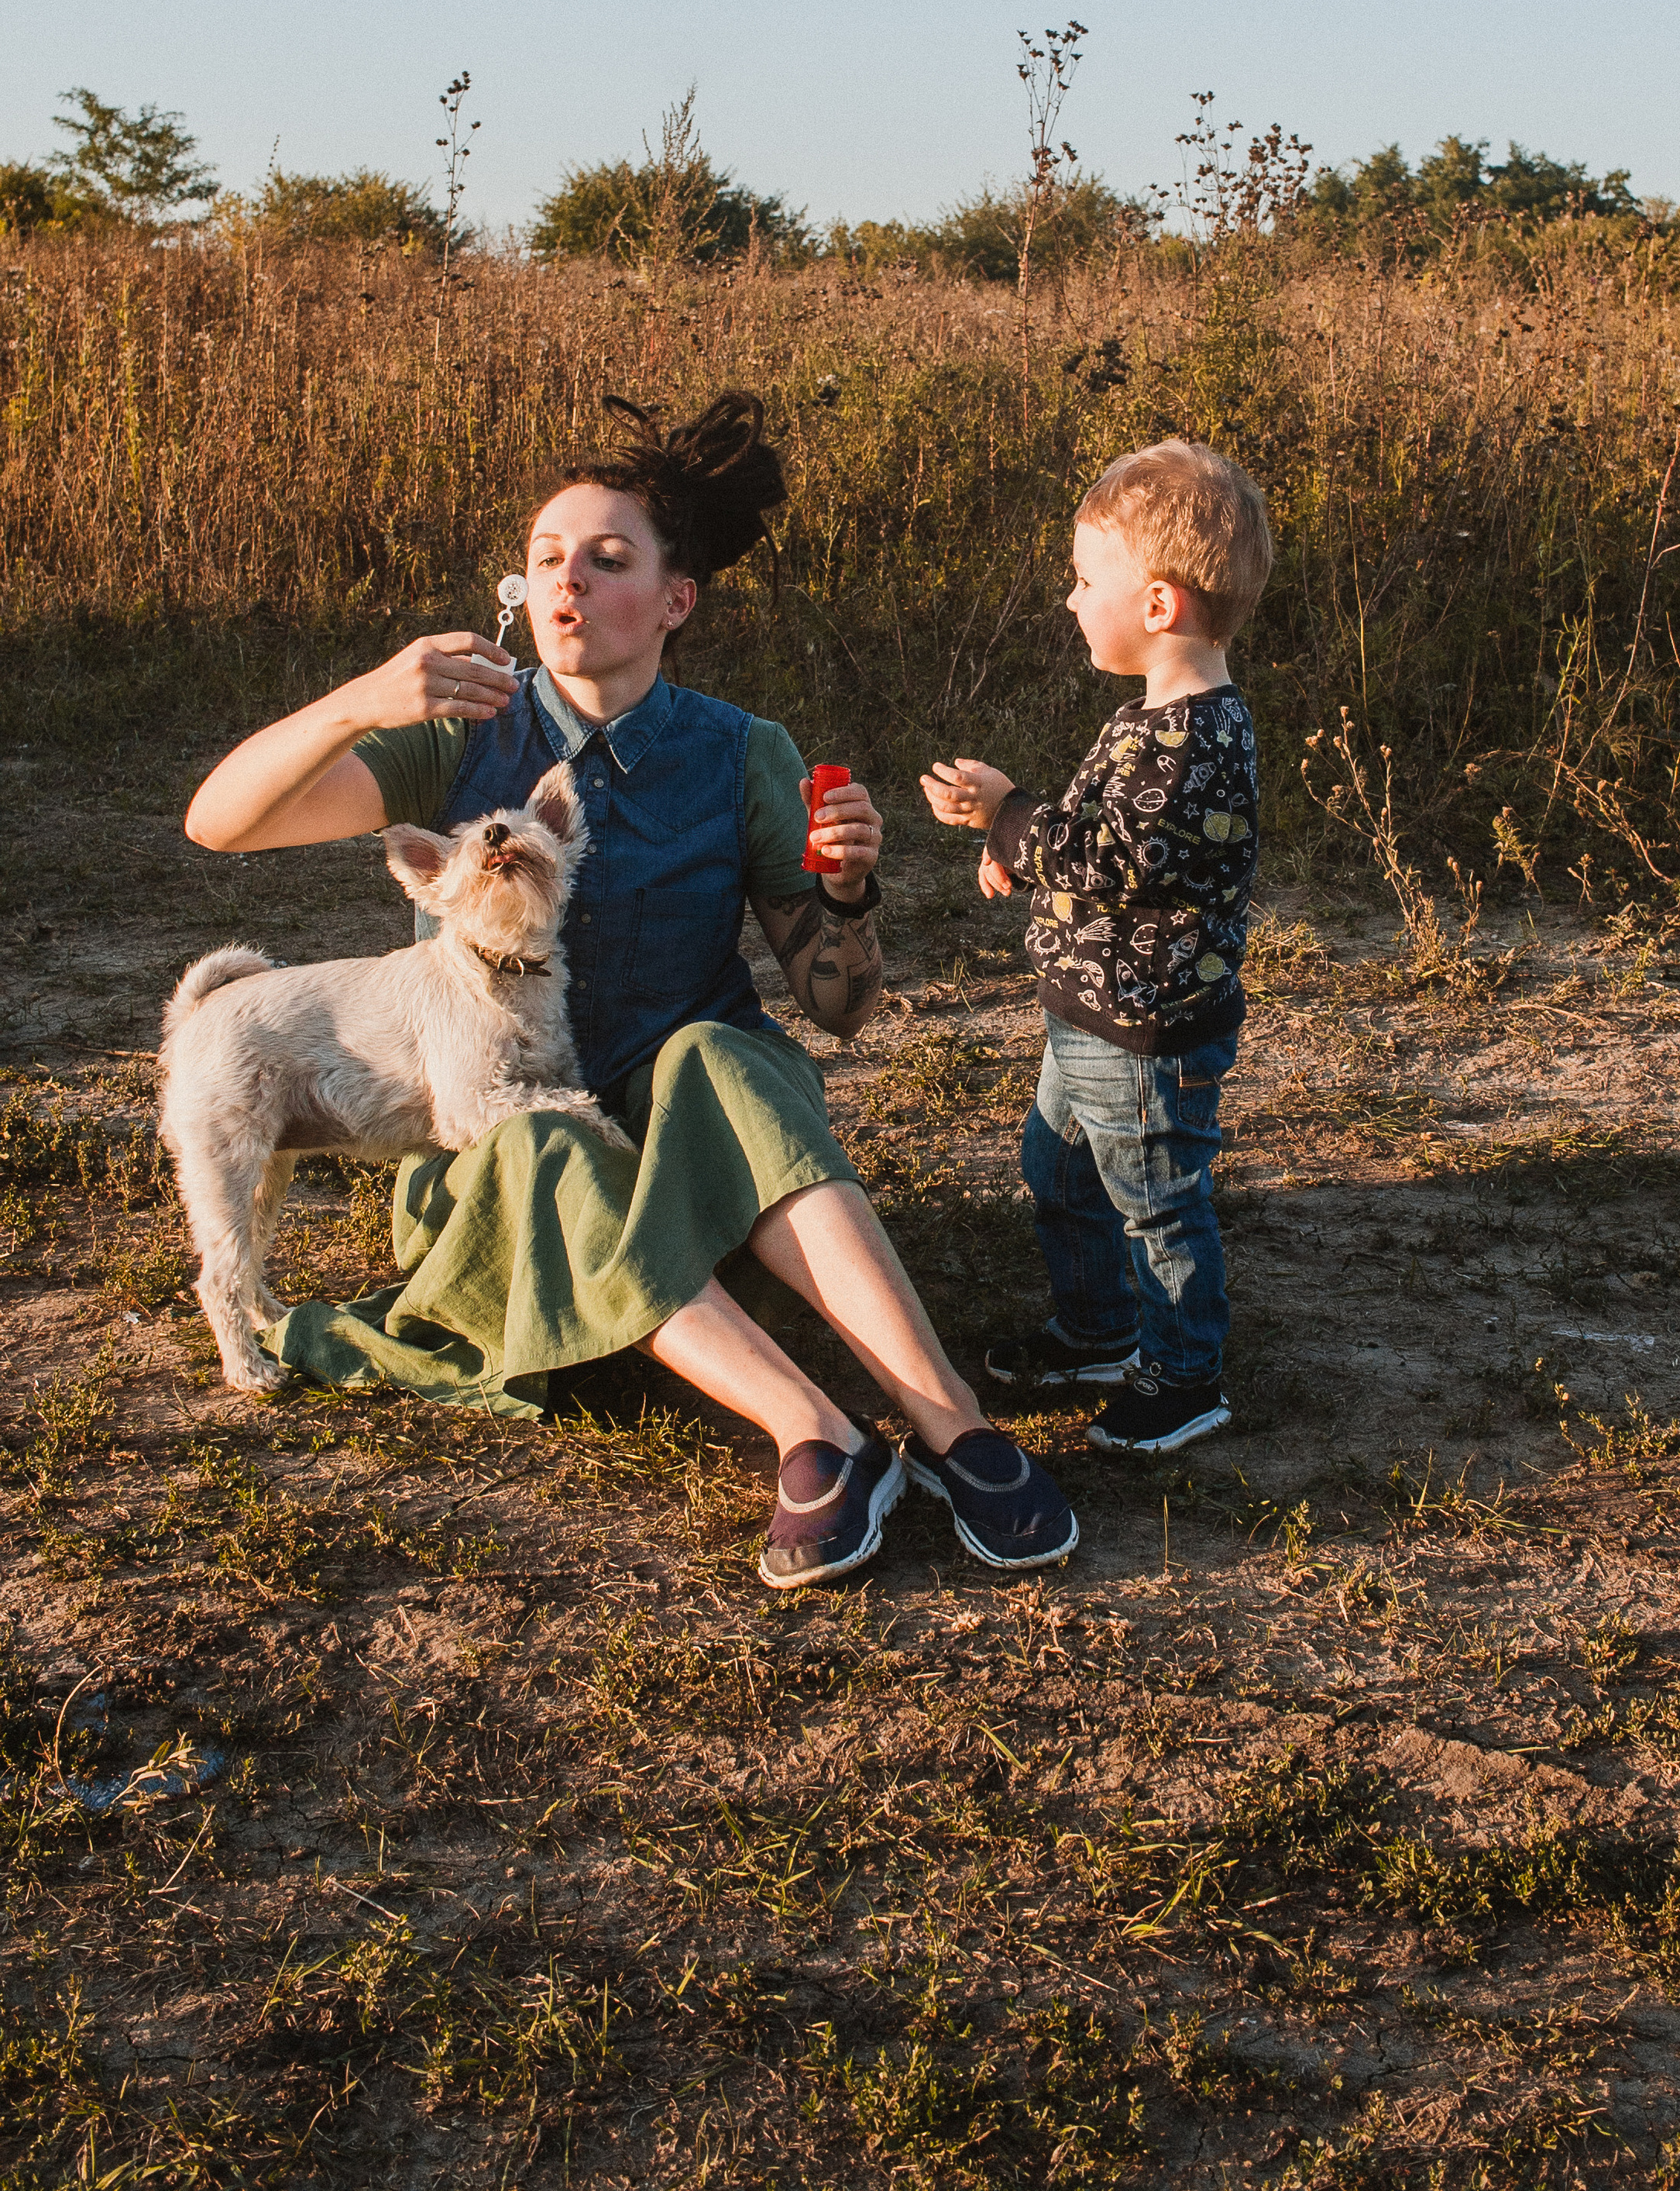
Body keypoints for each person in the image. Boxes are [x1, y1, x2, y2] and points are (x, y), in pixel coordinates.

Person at [183, 390, 1077, 1588]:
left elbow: (841, 1007)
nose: (569, 581)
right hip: (514, 1180)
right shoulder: (459, 735)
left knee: (719, 1053)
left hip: (698, 1161)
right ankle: (817, 1436)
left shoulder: (740, 751)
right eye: (548, 557)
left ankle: (953, 1424)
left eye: (608, 561)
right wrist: (365, 701)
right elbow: (219, 822)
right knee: (542, 1138)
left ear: (675, 601)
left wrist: (851, 894)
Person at [921, 439, 1271, 1455]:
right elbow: (1101, 841)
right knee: (1064, 1174)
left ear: (1158, 604)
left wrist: (1008, 811)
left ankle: (1184, 1374)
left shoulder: (1194, 738)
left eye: (1084, 581)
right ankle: (1099, 1331)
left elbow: (1114, 855)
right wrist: (1017, 850)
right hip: (1092, 1012)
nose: (1071, 600)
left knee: (1156, 1203)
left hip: (1146, 1030)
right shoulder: (1151, 721)